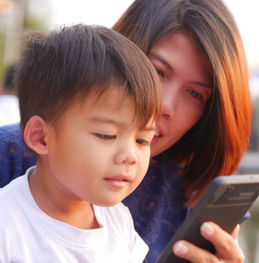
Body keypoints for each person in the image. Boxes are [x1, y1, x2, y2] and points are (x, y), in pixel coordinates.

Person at [0, 0, 251, 262]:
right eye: (156, 72)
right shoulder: (9, 156)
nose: (164, 105)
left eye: (194, 93)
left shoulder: (190, 196)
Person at [0, 24, 161, 262]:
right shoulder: (7, 225)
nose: (130, 156)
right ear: (40, 137)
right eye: (107, 135)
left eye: (142, 140)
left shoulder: (118, 220)